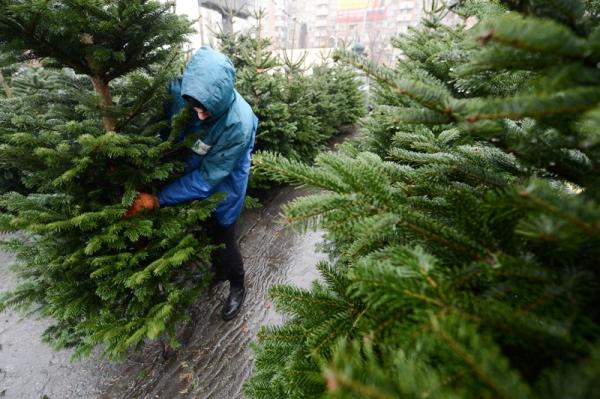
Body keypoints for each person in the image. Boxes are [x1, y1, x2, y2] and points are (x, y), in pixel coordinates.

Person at [126, 47, 258, 321]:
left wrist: (159, 198)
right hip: (194, 165)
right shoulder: (181, 91)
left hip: (225, 176)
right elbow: (165, 128)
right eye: (195, 106)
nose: (198, 114)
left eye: (205, 109)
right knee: (207, 227)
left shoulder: (238, 124)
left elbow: (210, 178)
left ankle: (237, 284)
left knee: (224, 231)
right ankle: (218, 271)